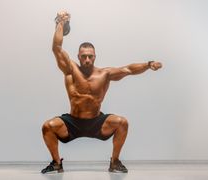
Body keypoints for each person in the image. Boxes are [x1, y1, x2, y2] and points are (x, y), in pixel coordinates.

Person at [41, 11, 163, 174]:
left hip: (96, 122)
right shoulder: (70, 70)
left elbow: (128, 69)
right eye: (83, 56)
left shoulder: (104, 74)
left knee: (122, 122)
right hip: (73, 122)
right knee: (48, 126)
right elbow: (57, 48)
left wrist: (148, 64)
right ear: (78, 56)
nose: (87, 60)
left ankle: (115, 162)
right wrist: (61, 23)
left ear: (95, 57)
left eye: (90, 57)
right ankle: (56, 163)